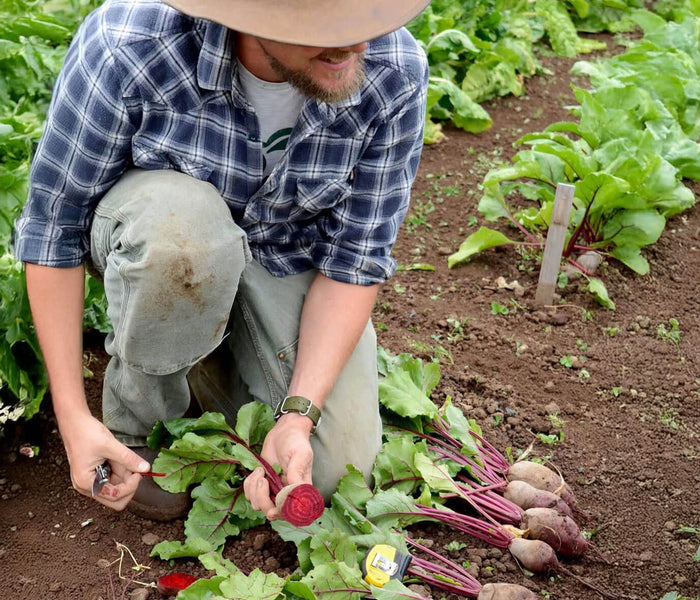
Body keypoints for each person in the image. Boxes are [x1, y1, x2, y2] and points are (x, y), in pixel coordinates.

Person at [13, 0, 430, 522]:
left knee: (329, 473)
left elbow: (354, 262)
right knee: (185, 237)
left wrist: (297, 417)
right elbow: (54, 227)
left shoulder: (394, 71)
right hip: (165, 239)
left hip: (282, 257)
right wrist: (71, 415)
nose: (356, 43)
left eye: (366, 19)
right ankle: (139, 425)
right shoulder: (131, 44)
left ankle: (208, 360)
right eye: (327, 28)